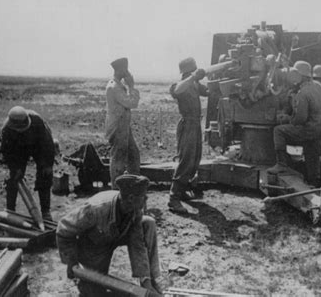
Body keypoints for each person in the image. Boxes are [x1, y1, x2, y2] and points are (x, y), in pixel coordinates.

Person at [56, 173, 162, 296]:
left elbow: (137, 242)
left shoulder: (135, 208)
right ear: (131, 198)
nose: (146, 199)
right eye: (144, 196)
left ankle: (151, 280)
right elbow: (63, 229)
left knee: (148, 223)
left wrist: (146, 282)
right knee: (93, 292)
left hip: (117, 236)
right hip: (94, 245)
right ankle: (86, 280)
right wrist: (72, 261)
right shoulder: (96, 208)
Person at [267, 61, 321, 186]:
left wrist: (286, 118)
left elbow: (300, 119)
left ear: (300, 75)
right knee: (313, 154)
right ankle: (314, 181)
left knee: (279, 131)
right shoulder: (318, 86)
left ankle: (281, 164)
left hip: (309, 129)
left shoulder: (303, 93)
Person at [168, 57, 208, 214]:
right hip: (187, 125)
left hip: (195, 125)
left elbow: (208, 91)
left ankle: (182, 190)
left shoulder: (194, 84)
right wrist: (193, 77)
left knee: (195, 159)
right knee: (186, 160)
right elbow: (177, 90)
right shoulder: (181, 85)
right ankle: (173, 198)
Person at [1, 106, 55, 220]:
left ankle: (45, 211)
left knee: (45, 175)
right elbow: (7, 152)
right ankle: (10, 209)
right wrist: (15, 168)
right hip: (19, 150)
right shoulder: (6, 130)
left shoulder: (37, 121)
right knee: (14, 178)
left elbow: (48, 145)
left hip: (38, 146)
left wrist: (47, 164)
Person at [105, 57, 141, 189]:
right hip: (118, 127)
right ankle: (116, 190)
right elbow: (132, 103)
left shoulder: (118, 85)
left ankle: (133, 186)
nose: (127, 72)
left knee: (133, 156)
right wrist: (132, 86)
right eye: (125, 69)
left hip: (124, 126)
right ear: (120, 70)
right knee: (118, 159)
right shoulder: (114, 87)